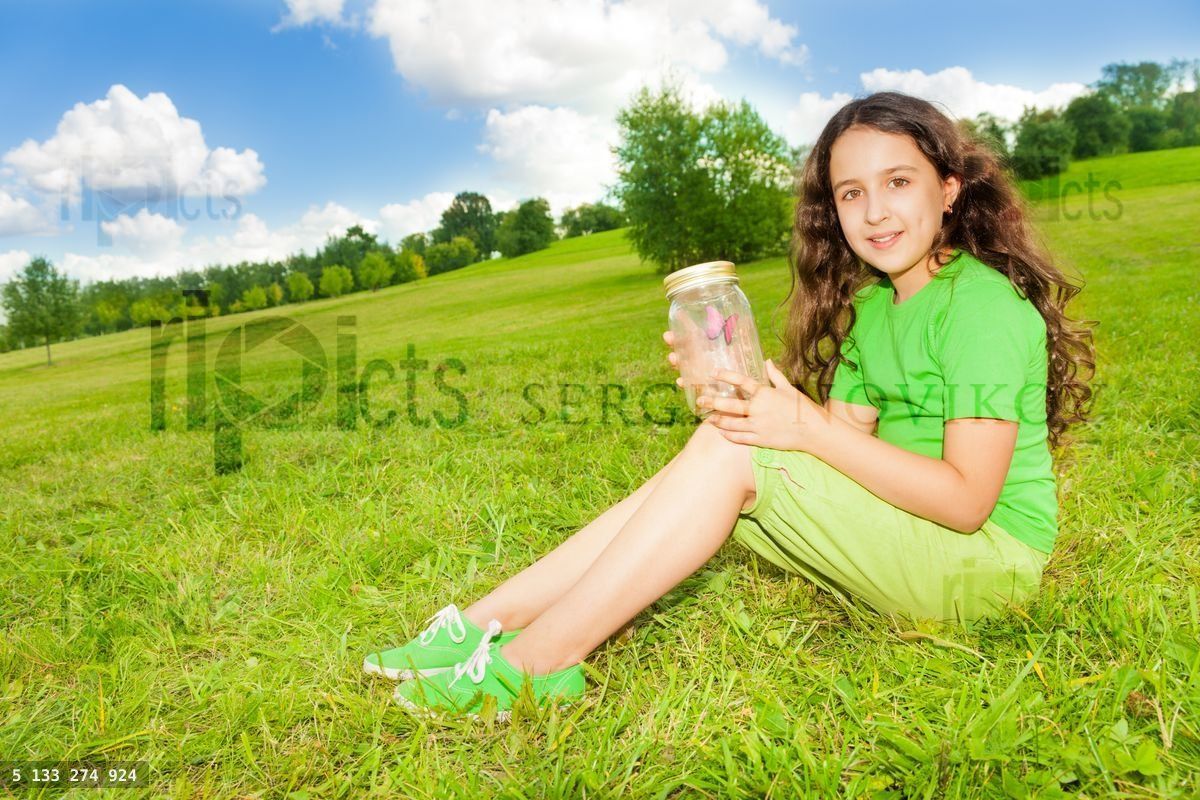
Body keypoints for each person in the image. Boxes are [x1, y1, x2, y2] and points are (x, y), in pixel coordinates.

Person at [367, 90, 1096, 722]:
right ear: (831, 209)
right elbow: (837, 450)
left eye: (898, 181)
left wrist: (792, 427)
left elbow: (968, 502)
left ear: (949, 187)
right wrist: (741, 399)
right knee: (728, 445)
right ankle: (482, 623)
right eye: (849, 193)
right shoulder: (877, 307)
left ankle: (533, 668)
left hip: (986, 568)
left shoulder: (981, 309)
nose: (874, 211)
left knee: (735, 452)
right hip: (910, 539)